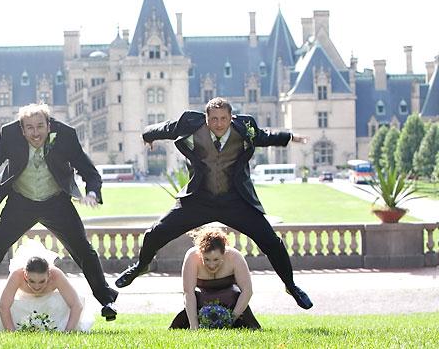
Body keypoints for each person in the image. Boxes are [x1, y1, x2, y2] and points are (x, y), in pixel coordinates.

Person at [115, 97, 313, 310]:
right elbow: (167, 128)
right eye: (214, 119)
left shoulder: (245, 126)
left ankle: (290, 285)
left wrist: (289, 137)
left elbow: (264, 136)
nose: (219, 124)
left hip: (235, 201)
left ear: (231, 117)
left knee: (272, 242)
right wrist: (148, 135)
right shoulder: (191, 123)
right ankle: (141, 265)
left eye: (223, 119)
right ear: (206, 118)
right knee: (156, 232)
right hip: (200, 199)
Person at [0, 103, 118, 323]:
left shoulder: (66, 135)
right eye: (29, 128)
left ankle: (107, 301)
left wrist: (91, 192)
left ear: (49, 126)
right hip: (20, 201)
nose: (35, 133)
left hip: (56, 202)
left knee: (84, 250)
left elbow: (88, 169)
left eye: (40, 126)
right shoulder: (9, 134)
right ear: (22, 130)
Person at [0, 240, 94, 332]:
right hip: (23, 307)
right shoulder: (17, 275)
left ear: (49, 274)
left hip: (49, 307)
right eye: (32, 281)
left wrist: (68, 332)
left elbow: (76, 305)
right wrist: (12, 333)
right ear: (25, 275)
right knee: (5, 306)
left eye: (42, 281)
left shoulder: (56, 275)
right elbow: (3, 306)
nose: (37, 286)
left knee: (64, 303)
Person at [169, 228, 261, 329]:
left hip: (233, 306)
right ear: (200, 254)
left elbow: (247, 291)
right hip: (200, 306)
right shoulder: (192, 257)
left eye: (216, 259)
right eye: (206, 259)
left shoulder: (235, 257)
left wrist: (231, 320)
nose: (211, 265)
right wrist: (194, 325)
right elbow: (188, 293)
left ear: (224, 253)